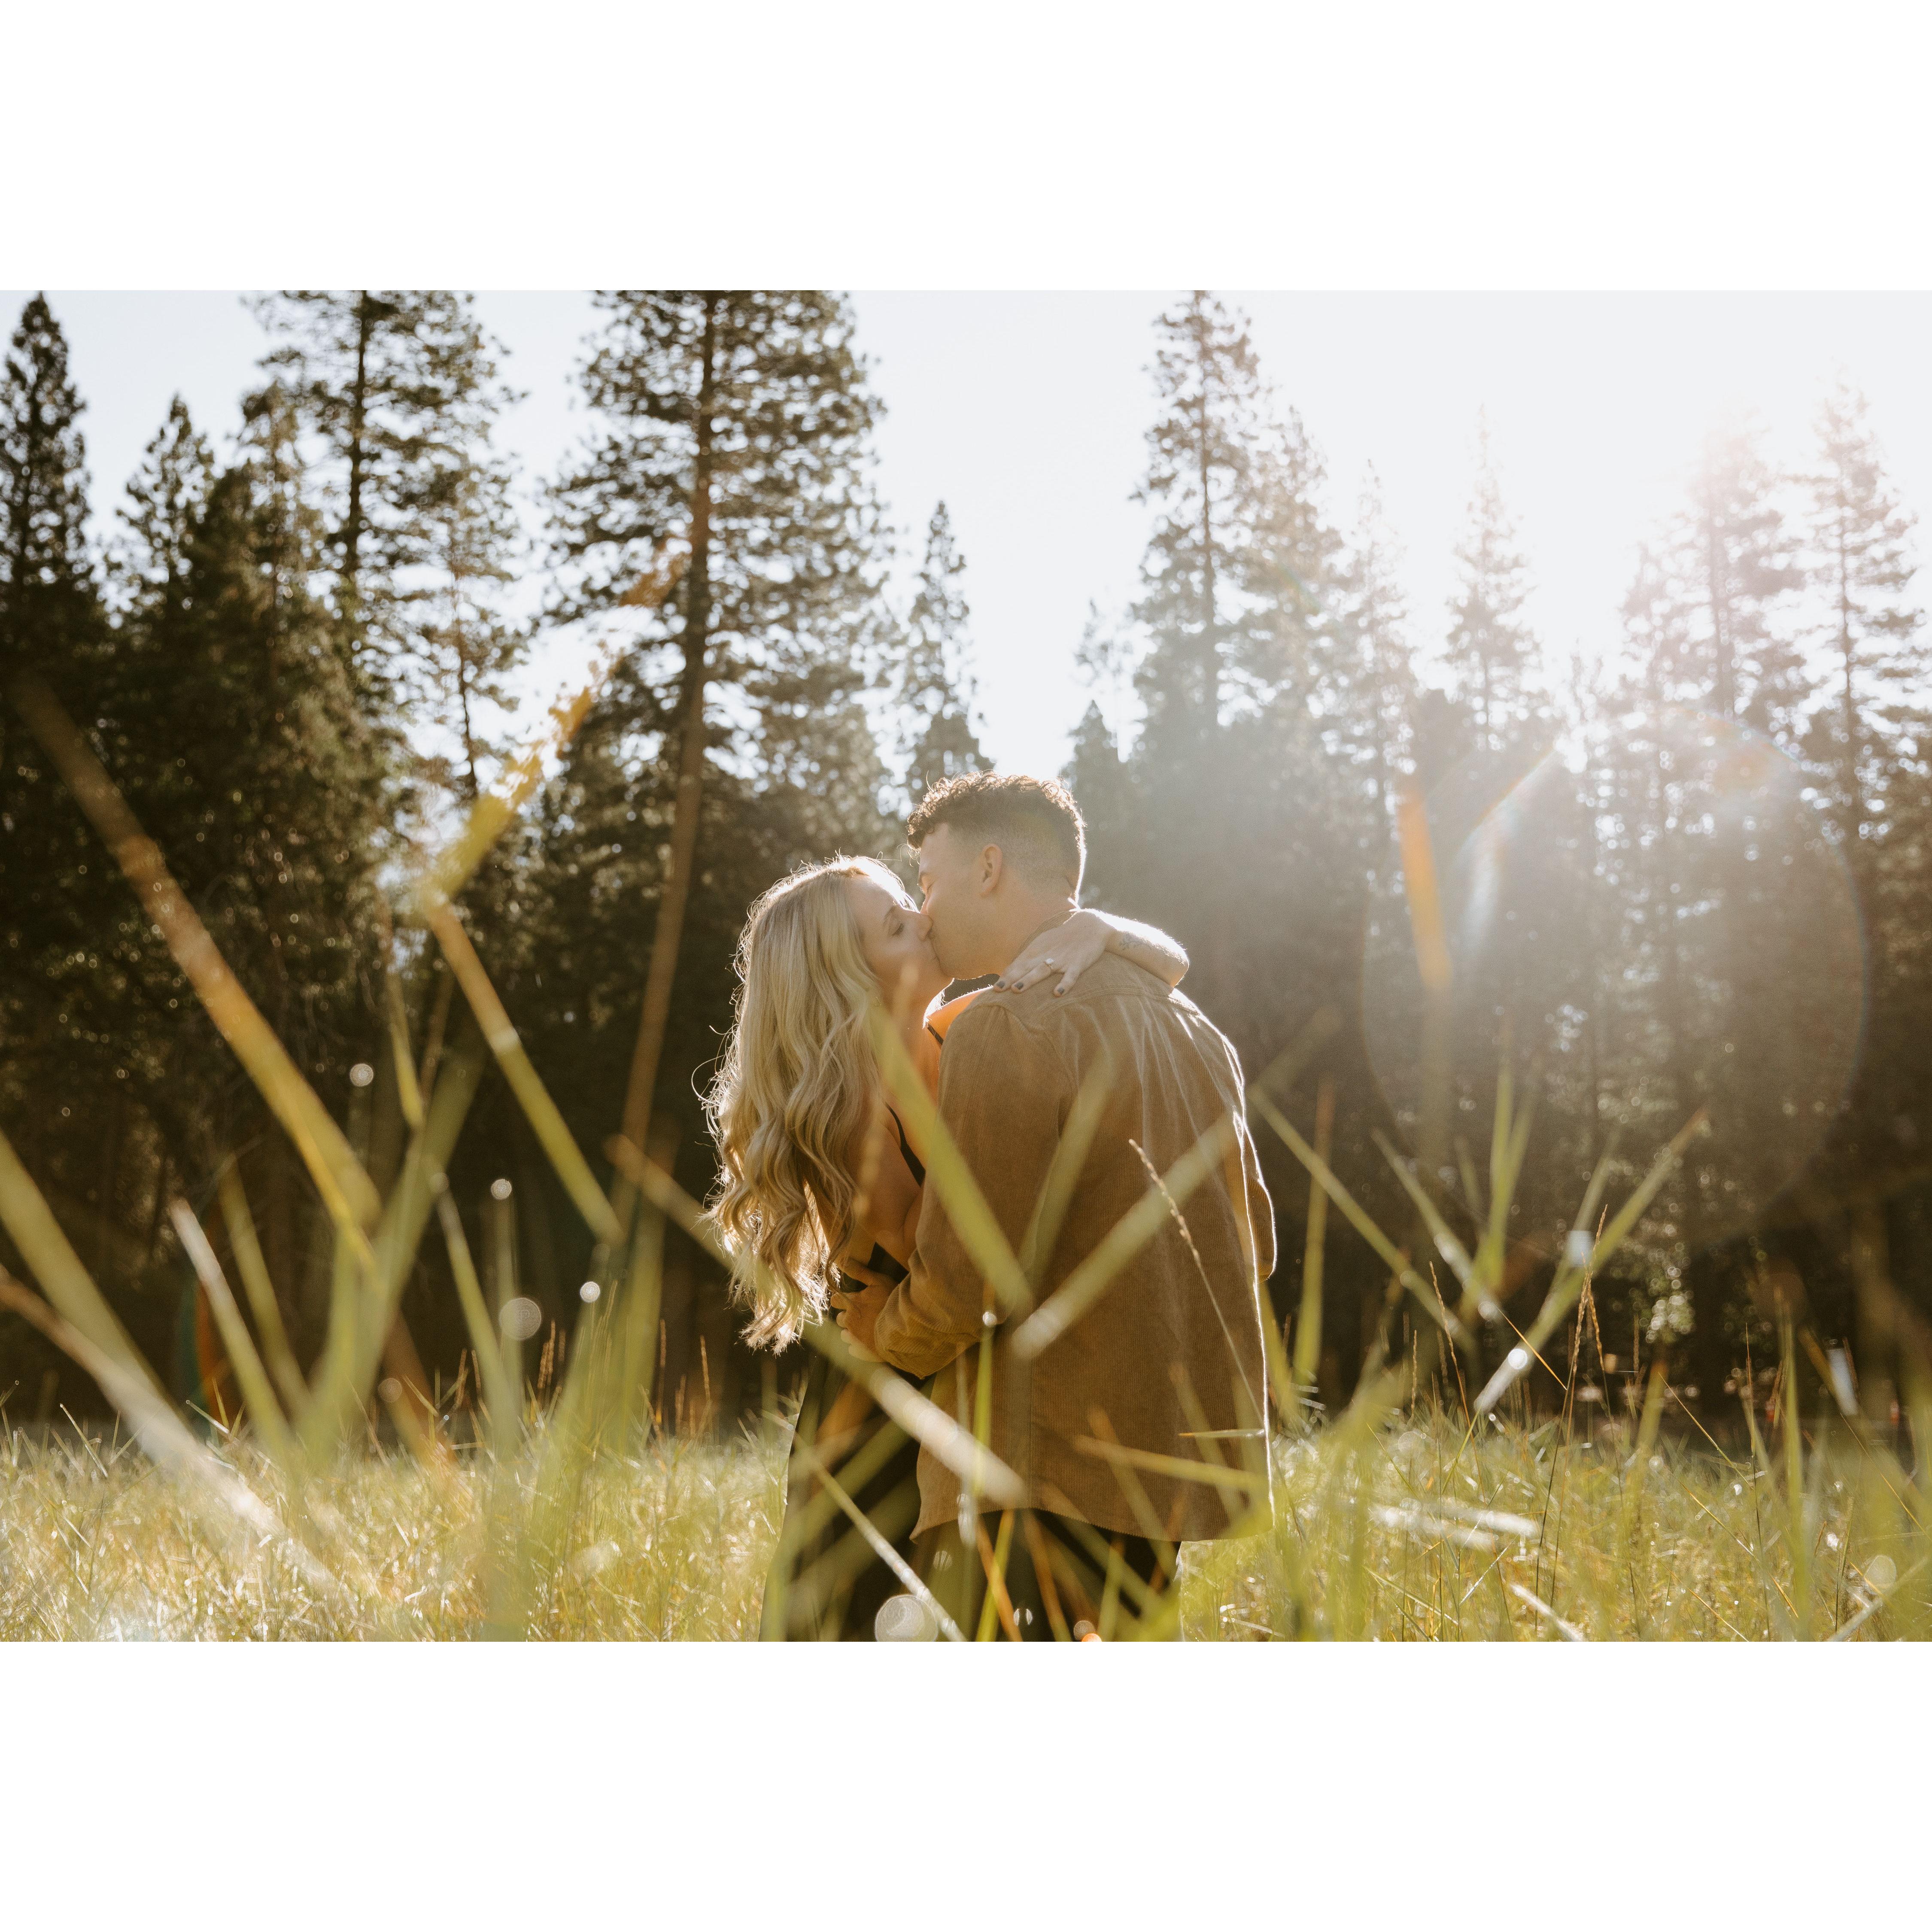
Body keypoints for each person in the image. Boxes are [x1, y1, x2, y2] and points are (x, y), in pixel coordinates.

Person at [832, 773, 1276, 1640]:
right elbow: (1251, 1245)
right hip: (1160, 1483)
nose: (924, 911)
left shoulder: (1006, 1027)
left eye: (928, 879)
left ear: (989, 868)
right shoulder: (1199, 1031)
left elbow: (968, 1284)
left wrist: (883, 1330)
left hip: (1028, 1476)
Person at [705, 849, 1191, 1640]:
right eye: (897, 926)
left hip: (984, 1384)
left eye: (911, 903)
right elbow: (947, 1272)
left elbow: (1169, 969)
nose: (925, 921)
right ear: (849, 978)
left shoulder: (970, 1028)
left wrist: (1098, 929)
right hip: (894, 1411)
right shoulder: (851, 1114)